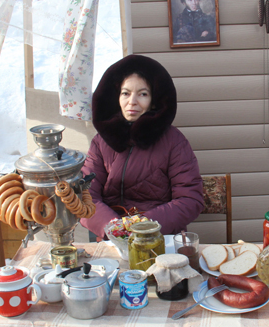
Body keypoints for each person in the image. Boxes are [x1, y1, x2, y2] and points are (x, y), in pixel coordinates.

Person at [80, 54, 204, 238]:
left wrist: (143, 227)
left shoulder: (174, 141)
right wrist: (116, 229)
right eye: (126, 93)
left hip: (159, 236)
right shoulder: (101, 142)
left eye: (143, 94)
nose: (132, 101)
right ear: (117, 97)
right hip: (111, 238)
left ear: (154, 100)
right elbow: (85, 196)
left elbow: (190, 199)